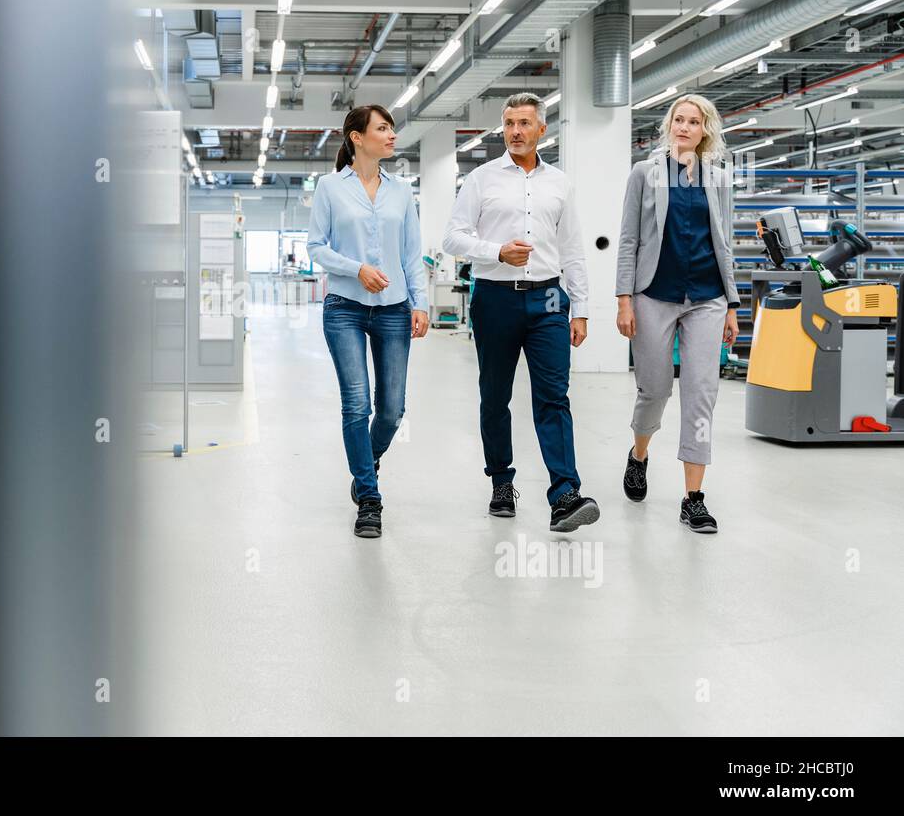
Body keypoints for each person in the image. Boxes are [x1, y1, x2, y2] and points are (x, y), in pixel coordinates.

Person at [442, 92, 598, 533]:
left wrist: (581, 308)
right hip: (494, 297)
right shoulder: (481, 179)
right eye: (509, 123)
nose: (515, 131)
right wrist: (496, 252)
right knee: (495, 396)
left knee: (554, 396)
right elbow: (452, 238)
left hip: (549, 298)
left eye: (524, 123)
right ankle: (501, 481)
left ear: (541, 129)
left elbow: (572, 249)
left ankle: (565, 493)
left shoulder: (560, 183)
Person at [615, 93, 740, 534]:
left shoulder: (720, 180)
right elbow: (629, 239)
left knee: (702, 392)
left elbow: (724, 243)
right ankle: (639, 454)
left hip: (707, 297)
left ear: (706, 130)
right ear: (668, 125)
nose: (684, 127)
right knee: (655, 389)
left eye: (694, 121)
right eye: (678, 120)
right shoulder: (644, 175)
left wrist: (732, 304)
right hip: (654, 294)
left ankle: (694, 498)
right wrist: (624, 299)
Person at [307, 104, 430, 539]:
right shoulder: (330, 188)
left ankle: (365, 463)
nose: (392, 135)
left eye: (392, 128)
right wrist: (355, 268)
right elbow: (316, 248)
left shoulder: (402, 191)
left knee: (392, 410)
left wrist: (421, 303)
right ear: (357, 138)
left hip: (395, 310)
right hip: (344, 306)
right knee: (357, 404)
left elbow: (412, 254)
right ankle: (370, 497)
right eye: (383, 128)